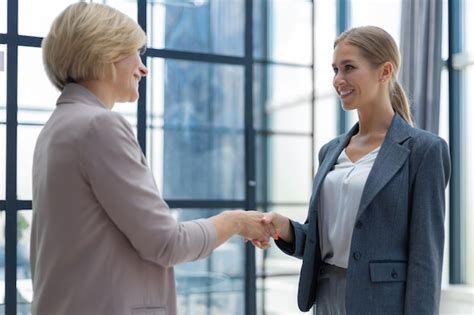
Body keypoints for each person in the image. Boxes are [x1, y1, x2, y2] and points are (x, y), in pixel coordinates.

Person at [31, 3, 272, 315]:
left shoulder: (57, 127)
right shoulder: (98, 126)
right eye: (135, 52)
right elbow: (166, 243)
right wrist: (235, 221)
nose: (143, 68)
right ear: (106, 54)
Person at [259, 26, 451, 314]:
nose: (338, 79)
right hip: (325, 298)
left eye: (349, 68)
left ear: (385, 72)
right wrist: (283, 227)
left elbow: (426, 257)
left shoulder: (424, 150)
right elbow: (320, 238)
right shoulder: (330, 150)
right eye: (335, 69)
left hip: (383, 304)